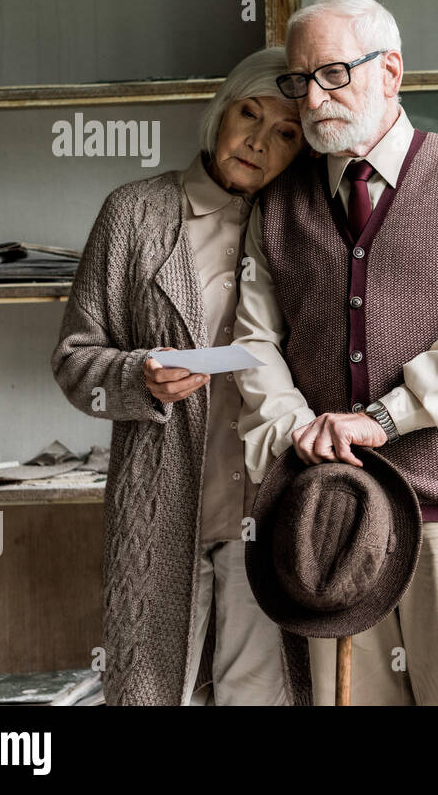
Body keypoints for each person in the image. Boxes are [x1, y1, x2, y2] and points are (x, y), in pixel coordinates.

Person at [235, 0, 438, 705]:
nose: (312, 97)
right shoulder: (277, 204)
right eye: (299, 79)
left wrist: (387, 418)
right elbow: (252, 339)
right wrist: (292, 429)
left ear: (391, 71)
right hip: (331, 507)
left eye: (334, 73)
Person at [51, 47, 307, 705]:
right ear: (221, 112)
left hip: (270, 508)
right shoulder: (134, 212)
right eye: (248, 114)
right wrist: (139, 375)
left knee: (263, 693)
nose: (257, 141)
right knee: (152, 690)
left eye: (286, 132)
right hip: (161, 506)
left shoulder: (303, 227)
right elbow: (76, 359)